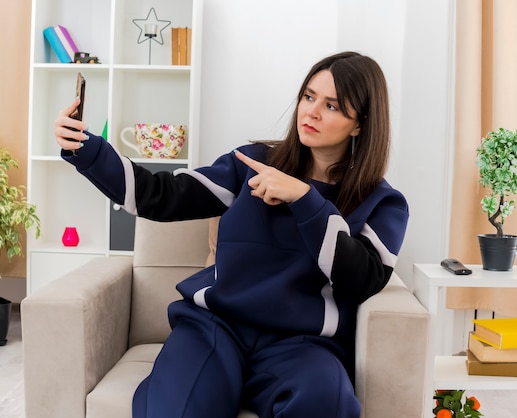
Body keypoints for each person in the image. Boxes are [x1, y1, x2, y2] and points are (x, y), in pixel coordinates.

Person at [54, 51, 409, 418]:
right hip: (215, 326)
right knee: (176, 408)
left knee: (328, 402)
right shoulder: (254, 164)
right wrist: (87, 150)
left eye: (332, 105)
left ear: (359, 125)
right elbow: (162, 196)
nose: (312, 112)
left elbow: (363, 280)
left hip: (301, 345)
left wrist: (306, 201)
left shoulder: (383, 203)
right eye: (308, 96)